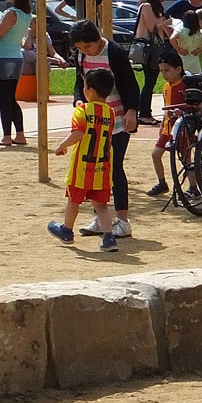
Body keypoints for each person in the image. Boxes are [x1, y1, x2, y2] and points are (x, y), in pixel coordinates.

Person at [68, 19, 138, 239]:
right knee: (93, 171)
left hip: (116, 119)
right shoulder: (81, 55)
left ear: (97, 39)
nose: (84, 51)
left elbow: (130, 83)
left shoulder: (114, 52)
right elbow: (79, 83)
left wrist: (132, 110)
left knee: (114, 168)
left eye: (87, 47)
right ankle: (101, 218)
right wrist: (79, 100)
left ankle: (123, 220)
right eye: (80, 48)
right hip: (93, 121)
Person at [47, 67, 119, 253]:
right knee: (101, 205)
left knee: (73, 200)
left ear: (90, 91)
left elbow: (78, 133)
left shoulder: (82, 110)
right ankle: (109, 237)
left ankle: (67, 230)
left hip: (82, 167)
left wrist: (63, 145)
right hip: (102, 168)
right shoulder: (110, 113)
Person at [0, 0, 39, 147]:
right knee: (11, 98)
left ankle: (6, 136)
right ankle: (20, 134)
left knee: (4, 100)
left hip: (3, 58)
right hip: (16, 57)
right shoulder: (26, 15)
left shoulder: (11, 13)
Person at [146, 51, 188, 197]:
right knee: (155, 155)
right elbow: (166, 108)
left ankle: (194, 187)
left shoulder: (185, 86)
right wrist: (162, 126)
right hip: (167, 129)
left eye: (167, 70)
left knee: (185, 159)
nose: (164, 74)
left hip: (182, 129)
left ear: (178, 69)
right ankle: (162, 182)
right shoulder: (165, 87)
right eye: (161, 71)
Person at [133, 0, 171, 121]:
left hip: (155, 46)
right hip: (148, 47)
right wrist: (165, 23)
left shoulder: (155, 8)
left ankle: (145, 112)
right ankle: (144, 114)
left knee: (152, 79)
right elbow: (152, 27)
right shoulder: (147, 6)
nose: (161, 0)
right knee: (150, 80)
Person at [170, 9, 202, 74]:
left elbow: (172, 39)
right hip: (194, 61)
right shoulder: (200, 32)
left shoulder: (181, 30)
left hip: (182, 60)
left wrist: (179, 49)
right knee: (195, 80)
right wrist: (199, 50)